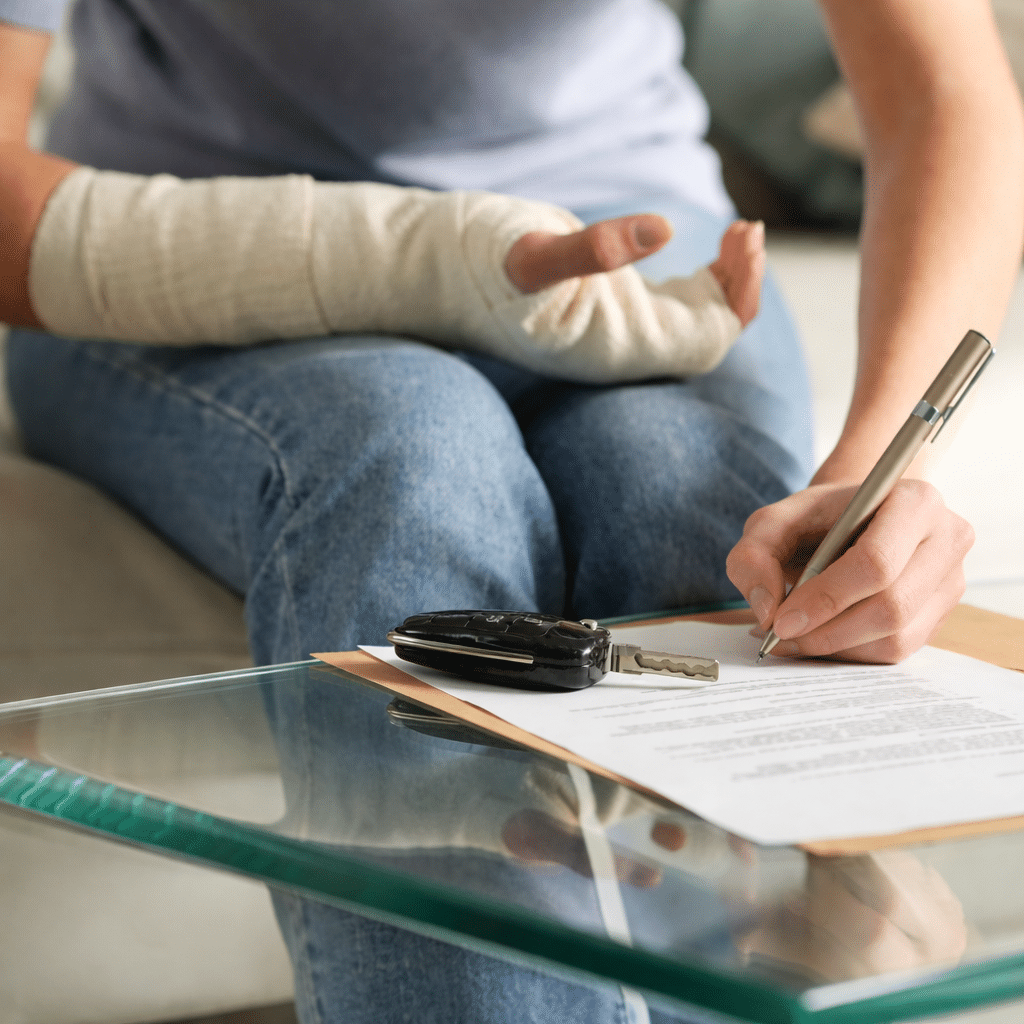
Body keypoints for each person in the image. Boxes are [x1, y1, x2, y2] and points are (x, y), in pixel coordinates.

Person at [0, 1, 1021, 1022]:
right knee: (409, 467)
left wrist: (879, 470)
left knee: (699, 520)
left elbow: (942, 89)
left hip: (640, 240)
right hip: (195, 249)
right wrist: (429, 254)